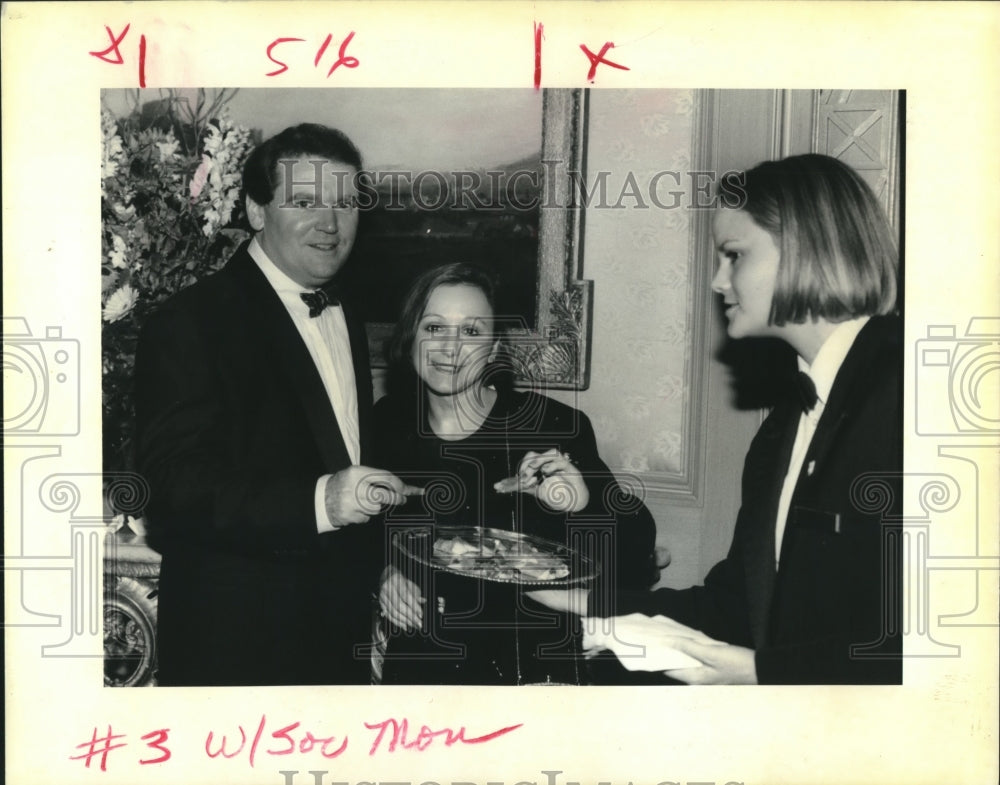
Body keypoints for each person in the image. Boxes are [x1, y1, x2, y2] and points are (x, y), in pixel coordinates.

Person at [532, 153, 902, 685]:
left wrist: (763, 674)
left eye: (734, 256)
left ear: (806, 248)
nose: (717, 281)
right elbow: (738, 605)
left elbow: (949, 643)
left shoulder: (910, 392)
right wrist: (586, 598)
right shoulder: (780, 429)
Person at [133, 123, 420, 686]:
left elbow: (332, 448)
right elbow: (172, 490)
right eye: (305, 202)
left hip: (339, 641)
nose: (330, 224)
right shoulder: (190, 322)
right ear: (257, 211)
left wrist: (380, 564)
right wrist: (321, 500)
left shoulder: (346, 310)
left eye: (344, 202)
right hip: (236, 646)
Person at [372, 263, 657, 685]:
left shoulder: (552, 426)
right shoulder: (385, 426)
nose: (449, 348)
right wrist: (387, 573)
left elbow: (635, 552)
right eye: (434, 328)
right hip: (424, 664)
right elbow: (367, 533)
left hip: (531, 668)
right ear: (411, 337)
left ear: (493, 349)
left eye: (471, 332)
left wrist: (581, 503)